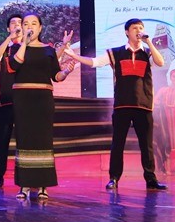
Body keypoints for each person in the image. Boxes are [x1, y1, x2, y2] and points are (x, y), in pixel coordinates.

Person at [64, 18, 168, 191]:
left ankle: (151, 179)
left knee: (147, 145)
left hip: (144, 105)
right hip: (122, 105)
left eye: (141, 28)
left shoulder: (148, 52)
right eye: (135, 28)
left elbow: (161, 62)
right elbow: (95, 62)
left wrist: (149, 41)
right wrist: (74, 55)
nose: (139, 30)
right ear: (127, 32)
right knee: (118, 144)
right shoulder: (116, 53)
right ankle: (114, 178)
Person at [9, 13, 74, 201]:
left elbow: (55, 76)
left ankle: (43, 185)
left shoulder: (49, 50)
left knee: (43, 141)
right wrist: (24, 42)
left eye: (34, 23)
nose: (29, 26)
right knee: (25, 140)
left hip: (43, 99)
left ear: (40, 28)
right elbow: (14, 65)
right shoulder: (16, 48)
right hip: (22, 99)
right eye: (26, 24)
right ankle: (24, 185)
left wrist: (66, 71)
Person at [0, 14, 22, 189]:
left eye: (20, 23)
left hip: (24, 101)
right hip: (6, 102)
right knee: (2, 140)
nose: (17, 26)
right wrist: (10, 38)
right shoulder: (3, 48)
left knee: (24, 140)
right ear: (8, 28)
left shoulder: (28, 48)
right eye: (13, 23)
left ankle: (24, 178)